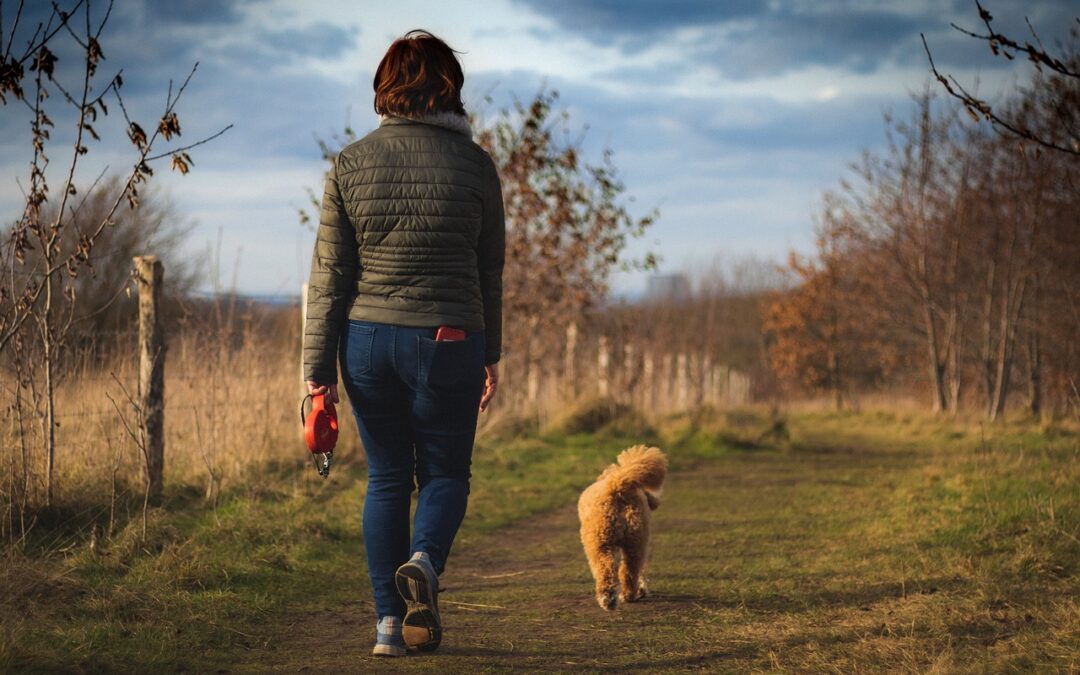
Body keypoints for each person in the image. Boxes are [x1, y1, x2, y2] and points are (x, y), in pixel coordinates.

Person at [302, 29, 504, 658]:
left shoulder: (351, 163)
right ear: (451, 90)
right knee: (445, 473)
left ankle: (389, 626)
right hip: (448, 339)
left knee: (387, 478)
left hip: (365, 343)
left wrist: (316, 371)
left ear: (386, 89)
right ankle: (424, 561)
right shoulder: (476, 165)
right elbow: (488, 268)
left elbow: (329, 275)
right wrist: (490, 351)